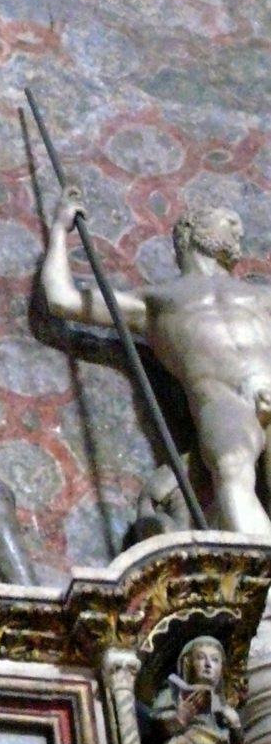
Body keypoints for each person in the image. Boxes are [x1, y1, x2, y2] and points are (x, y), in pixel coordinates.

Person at [42, 195, 271, 537]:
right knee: (230, 467)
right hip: (222, 398)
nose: (237, 229)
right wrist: (60, 230)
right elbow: (63, 298)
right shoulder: (154, 302)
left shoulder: (264, 294)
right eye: (225, 220)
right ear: (192, 229)